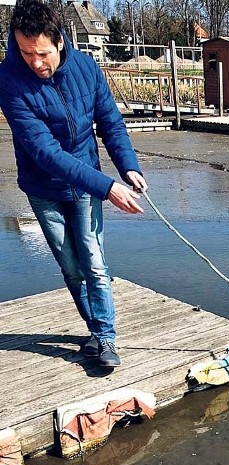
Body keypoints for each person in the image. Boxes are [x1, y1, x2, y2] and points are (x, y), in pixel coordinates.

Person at [0, 0, 148, 368]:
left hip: (85, 181)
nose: (35, 62)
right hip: (43, 187)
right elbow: (44, 152)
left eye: (42, 53)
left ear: (60, 41)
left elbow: (111, 123)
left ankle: (104, 336)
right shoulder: (8, 79)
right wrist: (108, 187)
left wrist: (128, 167)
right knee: (71, 266)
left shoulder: (86, 68)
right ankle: (94, 328)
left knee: (94, 262)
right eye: (25, 52)